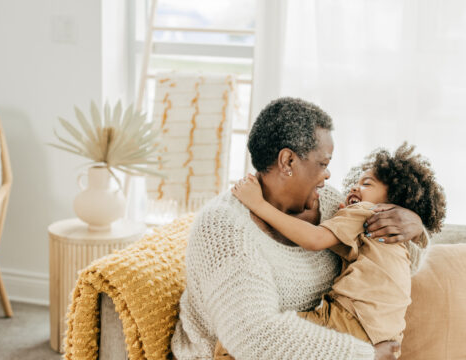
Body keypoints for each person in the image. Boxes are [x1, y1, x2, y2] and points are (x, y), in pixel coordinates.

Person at [171, 98, 425, 360]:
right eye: (323, 164)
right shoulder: (223, 228)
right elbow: (253, 337)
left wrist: (411, 227)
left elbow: (385, 270)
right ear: (288, 161)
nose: (328, 175)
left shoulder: (329, 203)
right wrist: (365, 355)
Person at [215, 143, 447, 359]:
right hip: (386, 335)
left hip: (349, 320)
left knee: (239, 335)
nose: (356, 186)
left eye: (367, 183)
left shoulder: (368, 211)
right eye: (357, 181)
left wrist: (258, 204)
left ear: (394, 200)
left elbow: (314, 239)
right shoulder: (397, 239)